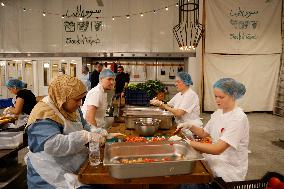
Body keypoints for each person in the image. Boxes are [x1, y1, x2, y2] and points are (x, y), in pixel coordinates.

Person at [25, 74, 106, 189]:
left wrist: (99, 132)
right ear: (63, 97)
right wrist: (85, 137)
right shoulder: (44, 113)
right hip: (49, 171)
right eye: (77, 100)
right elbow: (53, 145)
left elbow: (85, 126)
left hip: (69, 161)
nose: (80, 103)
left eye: (81, 98)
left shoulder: (69, 106)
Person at [178, 78, 249, 187]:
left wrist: (189, 143)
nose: (217, 100)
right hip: (213, 162)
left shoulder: (238, 118)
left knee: (191, 184)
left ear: (233, 95)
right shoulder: (218, 113)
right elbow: (203, 133)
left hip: (228, 172)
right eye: (216, 96)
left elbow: (218, 149)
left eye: (221, 97)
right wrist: (189, 125)